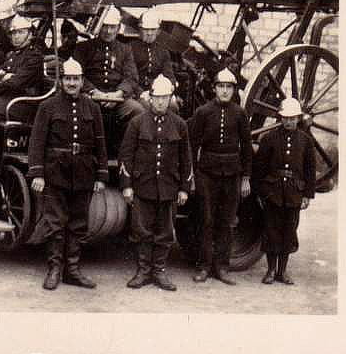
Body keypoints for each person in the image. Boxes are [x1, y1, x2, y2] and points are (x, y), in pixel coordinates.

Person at [29, 58, 109, 291]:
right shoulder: (48, 106)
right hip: (56, 172)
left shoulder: (92, 108)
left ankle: (72, 270)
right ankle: (55, 269)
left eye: (76, 79)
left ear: (82, 81)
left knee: (78, 223)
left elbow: (100, 144)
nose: (72, 83)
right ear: (61, 81)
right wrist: (38, 173)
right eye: (68, 79)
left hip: (84, 172)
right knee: (55, 223)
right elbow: (37, 142)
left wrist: (101, 175)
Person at [119, 74, 192, 291]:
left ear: (170, 98)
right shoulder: (137, 123)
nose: (160, 101)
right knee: (142, 230)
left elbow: (185, 159)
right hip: (144, 186)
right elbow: (126, 155)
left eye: (165, 97)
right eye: (157, 97)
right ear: (150, 98)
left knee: (165, 232)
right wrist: (127, 185)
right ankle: (143, 271)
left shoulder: (180, 125)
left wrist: (184, 189)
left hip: (168, 188)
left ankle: (159, 271)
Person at [188, 68, 254, 284]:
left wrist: (245, 178)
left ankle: (222, 267)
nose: (225, 91)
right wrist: (193, 176)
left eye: (229, 87)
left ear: (233, 90)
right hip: (207, 173)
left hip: (232, 174)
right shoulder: (203, 112)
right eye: (221, 86)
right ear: (214, 88)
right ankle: (204, 266)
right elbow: (193, 145)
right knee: (206, 220)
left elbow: (246, 147)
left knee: (227, 222)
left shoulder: (240, 114)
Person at [252, 98, 316, 285]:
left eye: (292, 118)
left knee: (289, 231)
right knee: (272, 231)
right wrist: (263, 192)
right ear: (281, 118)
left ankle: (283, 271)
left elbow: (310, 171)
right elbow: (259, 168)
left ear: (298, 118)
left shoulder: (306, 141)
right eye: (285, 118)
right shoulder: (269, 139)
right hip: (273, 193)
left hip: (294, 193)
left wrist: (307, 195)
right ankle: (271, 271)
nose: (289, 122)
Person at [73, 5, 144, 124]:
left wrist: (118, 94)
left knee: (137, 111)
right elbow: (77, 75)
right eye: (105, 26)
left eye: (112, 27)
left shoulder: (125, 49)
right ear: (99, 26)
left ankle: (122, 143)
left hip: (118, 97)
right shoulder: (83, 48)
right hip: (91, 97)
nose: (108, 31)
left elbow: (131, 77)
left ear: (118, 28)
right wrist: (93, 91)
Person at [0, 15, 44, 120]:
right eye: (13, 33)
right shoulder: (13, 55)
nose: (16, 36)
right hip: (4, 100)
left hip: (21, 104)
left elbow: (15, 83)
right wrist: (6, 77)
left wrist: (2, 77)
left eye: (20, 32)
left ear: (30, 34)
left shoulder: (34, 57)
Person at [130, 9, 176, 97]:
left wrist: (170, 88)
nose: (149, 33)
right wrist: (141, 93)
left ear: (158, 31)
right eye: (146, 29)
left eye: (153, 29)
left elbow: (169, 76)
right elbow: (130, 77)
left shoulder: (163, 51)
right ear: (140, 30)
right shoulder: (130, 48)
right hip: (136, 94)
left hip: (158, 94)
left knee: (173, 107)